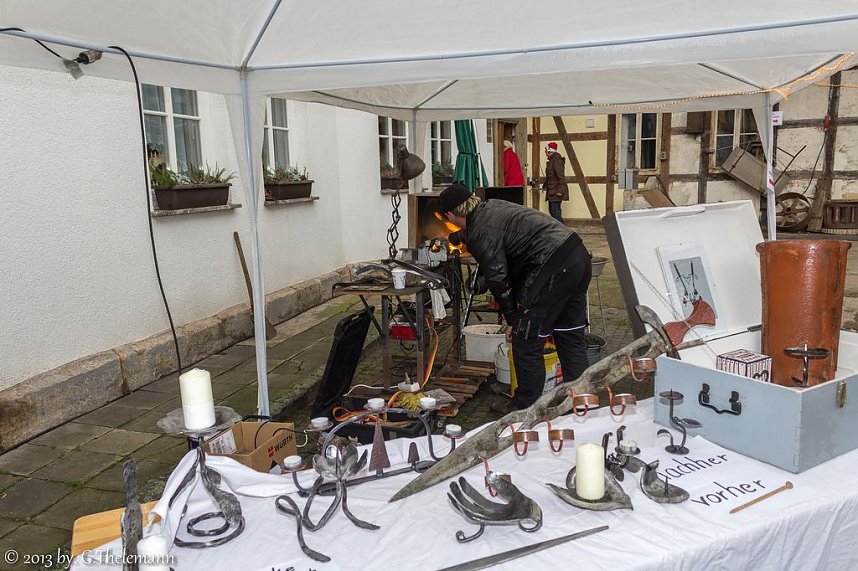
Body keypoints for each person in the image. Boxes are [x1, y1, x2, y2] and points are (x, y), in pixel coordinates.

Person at [439, 183, 592, 413]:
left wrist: (514, 319)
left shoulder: (480, 229)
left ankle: (524, 409)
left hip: (551, 267)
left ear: (450, 215)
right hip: (576, 255)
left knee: (526, 341)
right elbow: (502, 236)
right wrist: (460, 237)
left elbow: (498, 277)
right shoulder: (491, 207)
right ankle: (581, 402)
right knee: (569, 335)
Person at [542, 142, 569, 223]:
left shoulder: (556, 160)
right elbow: (550, 177)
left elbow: (561, 177)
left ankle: (562, 231)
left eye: (546, 151)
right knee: (553, 212)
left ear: (549, 151)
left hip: (556, 191)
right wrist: (545, 186)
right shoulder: (552, 160)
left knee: (555, 212)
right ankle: (560, 231)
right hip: (552, 191)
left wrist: (560, 191)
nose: (545, 153)